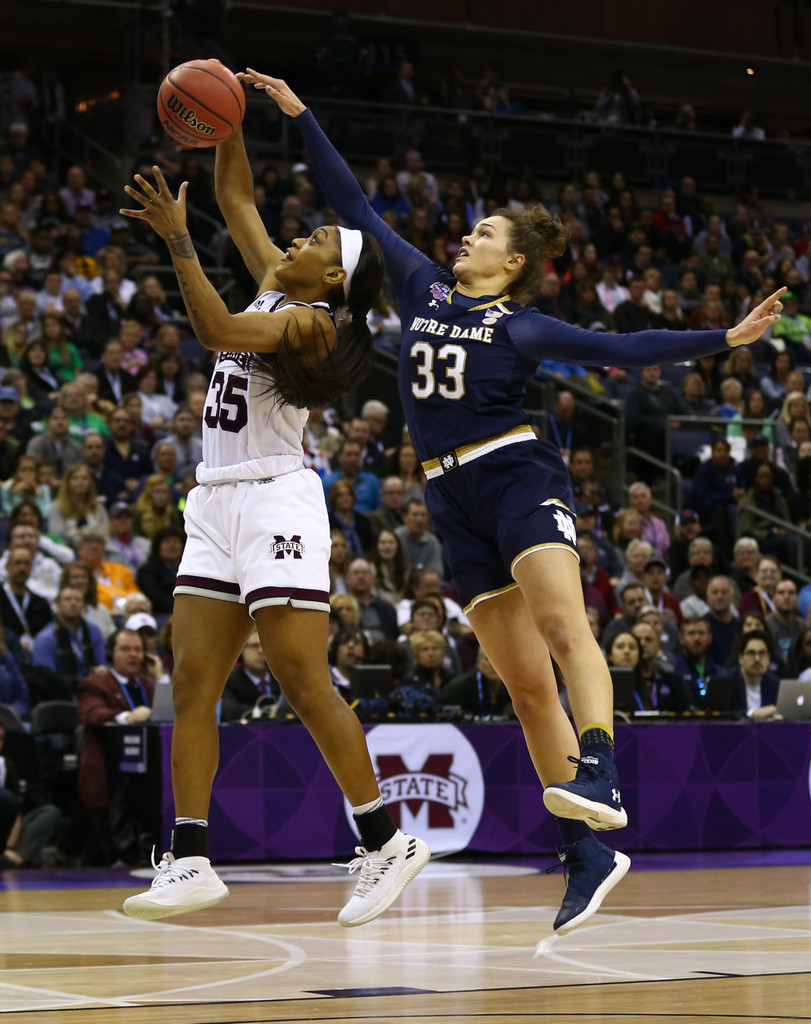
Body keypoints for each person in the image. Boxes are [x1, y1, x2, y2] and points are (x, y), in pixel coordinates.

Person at [256, 66, 785, 934]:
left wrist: (721, 336)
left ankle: (603, 770)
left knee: (563, 628)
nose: (468, 235)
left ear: (514, 264)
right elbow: (353, 203)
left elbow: (624, 346)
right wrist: (301, 114)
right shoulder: (421, 284)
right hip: (447, 498)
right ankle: (586, 851)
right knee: (524, 691)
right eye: (473, 227)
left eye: (486, 232)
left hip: (515, 475)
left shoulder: (523, 326)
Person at [118, 126, 429, 925]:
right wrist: (226, 126)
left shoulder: (314, 325)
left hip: (275, 498)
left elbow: (216, 330)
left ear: (334, 276)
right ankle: (189, 858)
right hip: (214, 497)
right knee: (190, 682)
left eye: (319, 237)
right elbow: (236, 196)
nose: (299, 233)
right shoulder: (274, 282)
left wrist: (178, 241)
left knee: (298, 676)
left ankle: (385, 839)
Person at [220, 630, 278, 723]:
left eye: (265, 646)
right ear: (240, 652)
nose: (261, 651)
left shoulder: (280, 679)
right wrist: (269, 711)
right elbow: (229, 711)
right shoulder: (229, 680)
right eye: (254, 646)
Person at [671, 616, 726, 710]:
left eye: (701, 633)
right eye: (691, 633)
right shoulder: (671, 670)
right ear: (681, 639)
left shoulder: (721, 673)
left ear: (710, 638)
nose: (697, 638)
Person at [727, 630, 781, 719]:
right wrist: (751, 714)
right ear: (741, 658)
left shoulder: (775, 685)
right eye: (751, 653)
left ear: (768, 659)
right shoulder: (727, 682)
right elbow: (722, 715)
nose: (757, 659)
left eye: (762, 653)